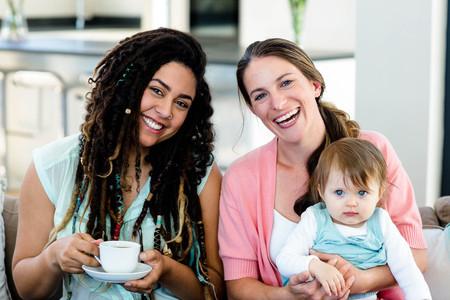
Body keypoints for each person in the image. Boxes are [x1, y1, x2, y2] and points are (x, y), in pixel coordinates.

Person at [12, 28, 224, 300]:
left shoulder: (200, 172)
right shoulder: (51, 166)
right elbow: (26, 290)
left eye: (181, 103)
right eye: (157, 90)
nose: (166, 111)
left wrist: (169, 271)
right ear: (126, 85)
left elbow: (216, 290)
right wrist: (53, 257)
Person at [218, 38, 428, 299]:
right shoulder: (241, 177)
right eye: (261, 95)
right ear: (253, 109)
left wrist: (359, 282)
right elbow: (239, 286)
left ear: (315, 85)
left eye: (286, 83)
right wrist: (290, 296)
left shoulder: (375, 150)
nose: (278, 103)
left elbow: (415, 255)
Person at [276, 138, 431, 299]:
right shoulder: (315, 219)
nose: (351, 203)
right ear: (322, 192)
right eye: (339, 192)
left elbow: (406, 267)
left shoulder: (381, 222)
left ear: (378, 193)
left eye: (362, 193)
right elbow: (285, 260)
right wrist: (315, 267)